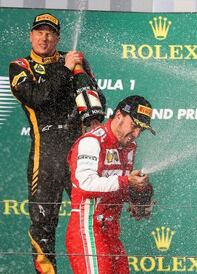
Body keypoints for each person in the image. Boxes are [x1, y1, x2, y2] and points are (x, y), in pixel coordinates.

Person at [9, 13, 105, 273]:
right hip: (46, 155)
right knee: (42, 225)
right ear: (31, 35)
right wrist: (65, 67)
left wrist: (80, 74)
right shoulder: (20, 67)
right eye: (39, 31)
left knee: (91, 219)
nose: (44, 37)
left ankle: (93, 268)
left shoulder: (74, 61)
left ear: (58, 37)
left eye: (50, 33)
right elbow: (38, 98)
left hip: (78, 154)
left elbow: (98, 105)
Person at [66, 95, 155, 274]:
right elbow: (85, 184)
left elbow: (117, 187)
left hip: (112, 232)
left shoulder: (130, 147)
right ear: (119, 116)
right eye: (134, 125)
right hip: (88, 230)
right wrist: (126, 181)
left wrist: (140, 195)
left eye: (141, 129)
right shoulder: (92, 141)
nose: (136, 133)